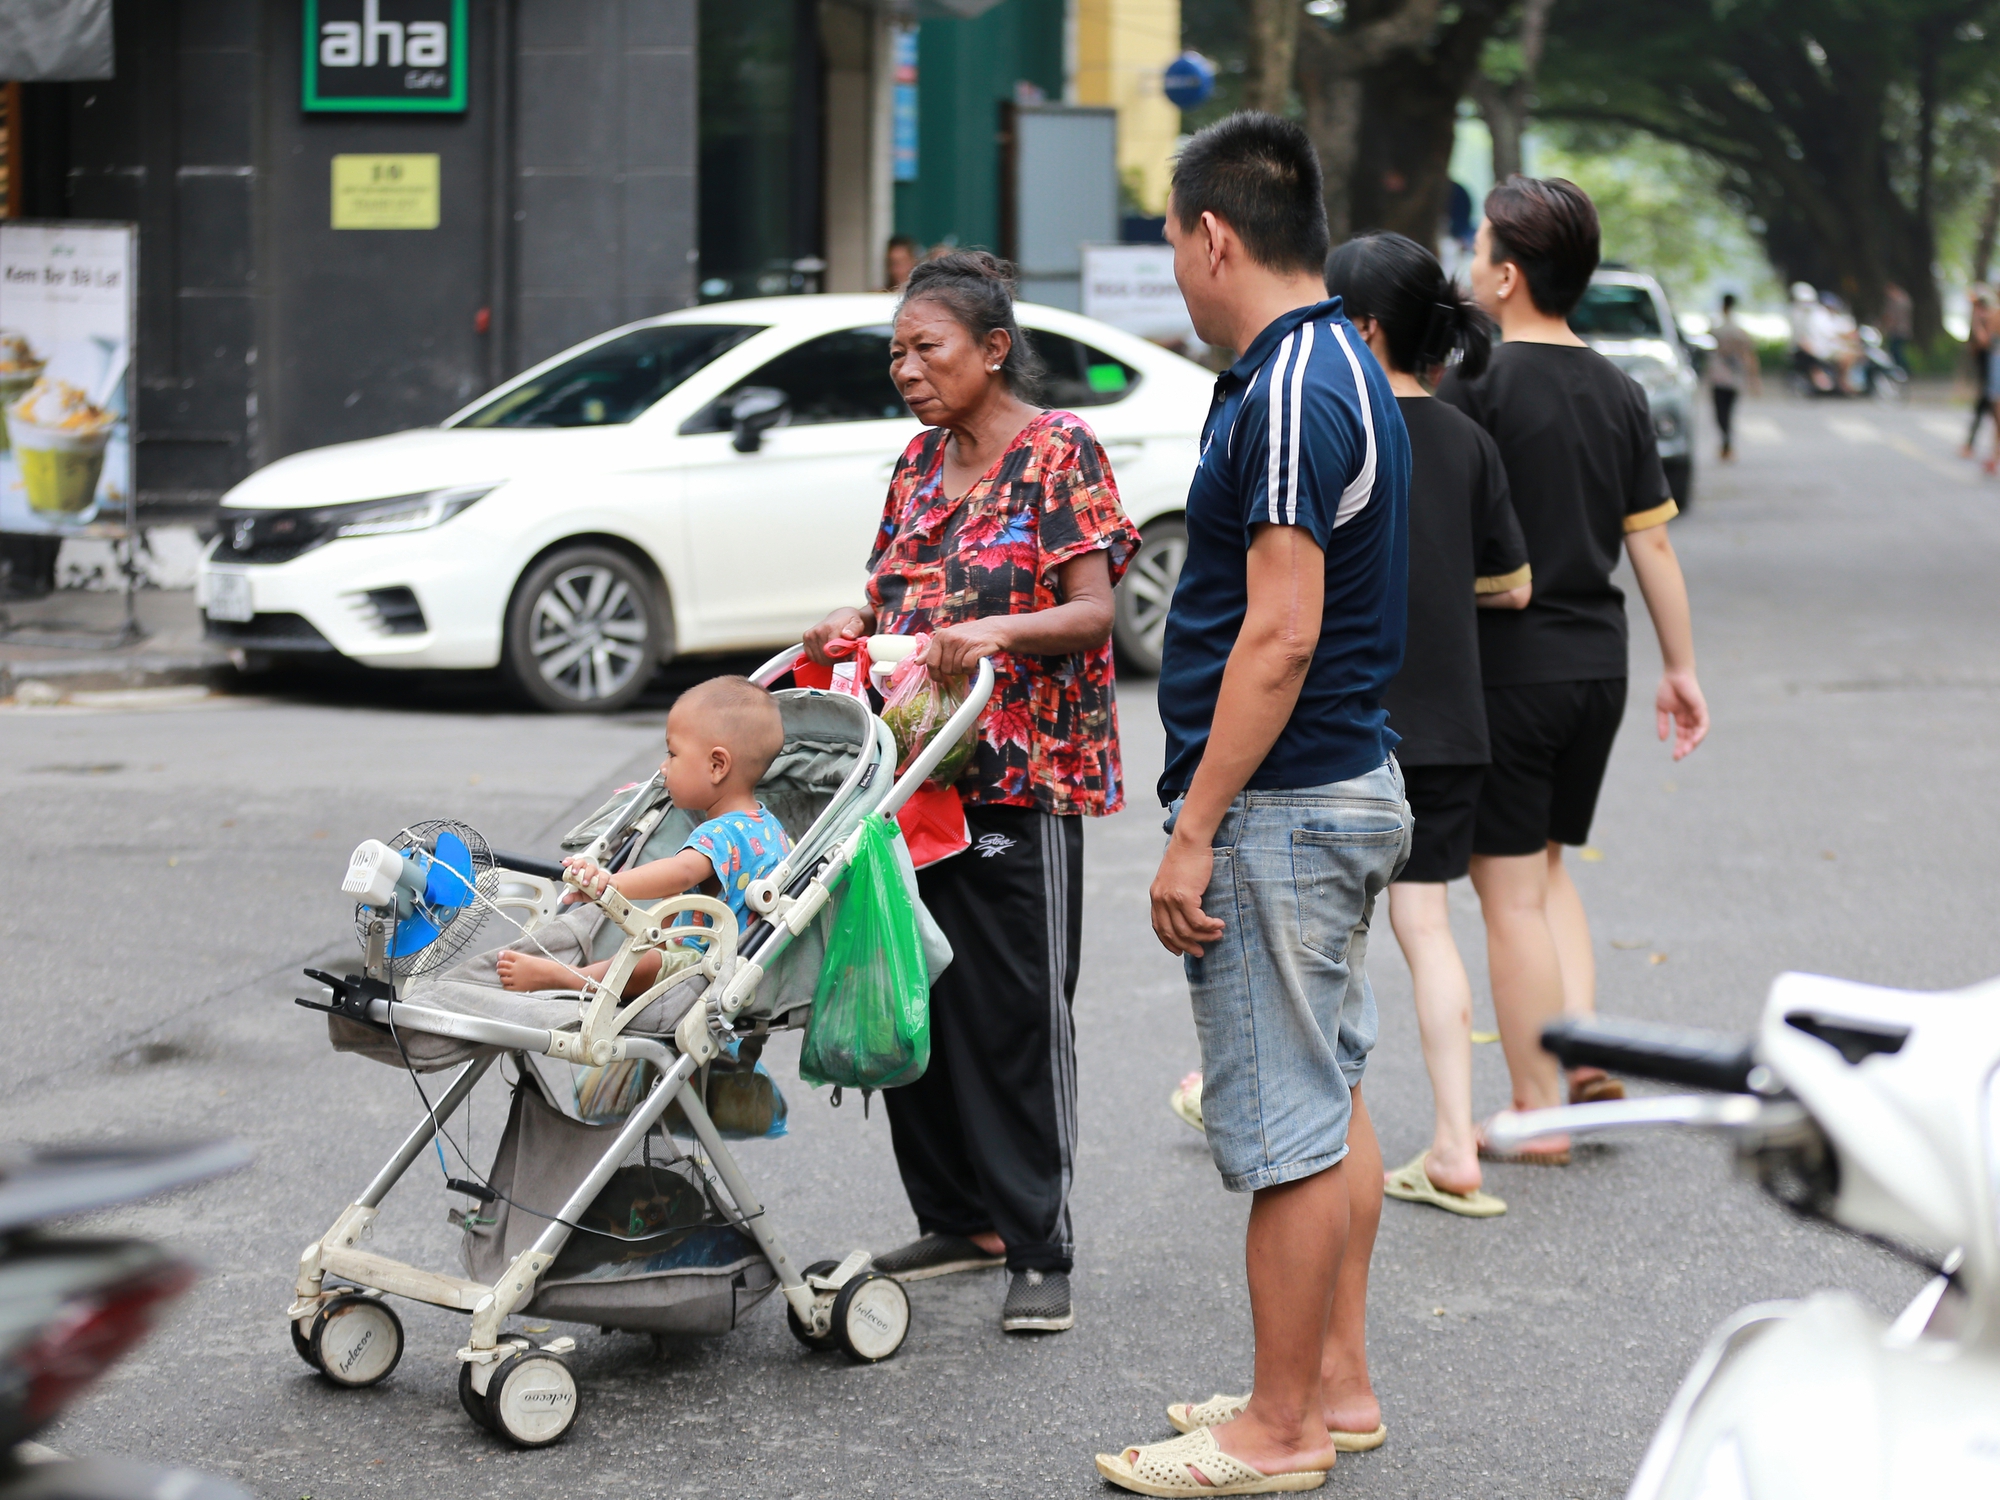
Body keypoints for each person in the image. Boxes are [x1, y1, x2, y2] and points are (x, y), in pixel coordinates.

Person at [1098, 113, 1412, 1496]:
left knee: (1284, 1122)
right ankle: (1330, 1390)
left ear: (1213, 236)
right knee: (1330, 1091)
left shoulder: (1290, 386)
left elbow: (1279, 634)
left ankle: (1279, 1431)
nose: (1176, 268)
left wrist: (1192, 826)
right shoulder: (1345, 356)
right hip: (1342, 781)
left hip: (1283, 802)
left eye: (1174, 243)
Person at [804, 250, 1139, 1336]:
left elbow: (1092, 612)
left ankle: (1038, 1246)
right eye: (894, 353)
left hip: (1017, 776)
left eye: (925, 349)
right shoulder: (913, 464)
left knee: (1010, 1013)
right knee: (915, 998)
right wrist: (846, 632)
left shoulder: (1057, 453)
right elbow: (890, 602)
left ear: (993, 351)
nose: (905, 370)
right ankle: (957, 1217)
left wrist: (995, 628)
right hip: (903, 783)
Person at [1437, 176, 1710, 1152]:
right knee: (1546, 870)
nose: (1466, 265)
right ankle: (1578, 1056)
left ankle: (1535, 1109)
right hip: (1599, 665)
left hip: (1508, 669)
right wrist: (1680, 669)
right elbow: (1652, 548)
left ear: (1505, 277)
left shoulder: (1475, 386)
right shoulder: (1618, 388)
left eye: (1474, 250)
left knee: (1503, 891)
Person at [1327, 231, 1529, 1219]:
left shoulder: (1334, 433)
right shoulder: (1465, 437)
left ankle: (1279, 1112)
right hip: (1451, 728)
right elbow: (1513, 583)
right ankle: (1455, 1141)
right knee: (1424, 923)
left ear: (1363, 331)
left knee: (1313, 928)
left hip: (1347, 730)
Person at [494, 675, 791, 995]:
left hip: (701, 969)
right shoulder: (770, 828)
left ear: (717, 765)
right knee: (657, 928)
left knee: (645, 961)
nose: (664, 768)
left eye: (672, 754)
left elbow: (681, 872)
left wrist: (607, 885)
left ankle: (568, 978)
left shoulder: (721, 833)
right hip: (735, 965)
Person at [1709, 293, 1761, 460]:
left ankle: (1725, 442)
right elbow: (1750, 355)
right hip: (1735, 378)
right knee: (1729, 412)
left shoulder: (1715, 329)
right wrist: (1754, 379)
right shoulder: (1739, 330)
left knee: (1720, 413)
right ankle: (1727, 443)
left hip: (1719, 376)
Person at [1965, 287, 1993, 461]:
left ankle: (1971, 446)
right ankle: (1970, 446)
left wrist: (1976, 321)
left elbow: (1985, 341)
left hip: (1993, 378)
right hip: (1986, 376)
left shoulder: (1988, 319)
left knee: (1984, 412)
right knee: (1982, 413)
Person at [1881, 281, 1913, 373]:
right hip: (1905, 329)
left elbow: (1890, 316)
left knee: (1895, 352)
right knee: (1898, 351)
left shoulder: (1895, 300)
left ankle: (1903, 371)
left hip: (1897, 330)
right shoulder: (1905, 297)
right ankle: (1903, 371)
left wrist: (1885, 328)